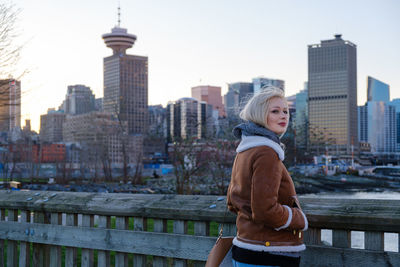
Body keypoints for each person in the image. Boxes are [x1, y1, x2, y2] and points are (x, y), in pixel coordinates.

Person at [227, 86, 308, 267]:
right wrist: (298, 218)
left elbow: (232, 202)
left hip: (247, 249)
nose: (283, 116)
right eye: (275, 111)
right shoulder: (267, 152)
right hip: (270, 253)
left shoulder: (245, 150)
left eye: (286, 111)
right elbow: (265, 210)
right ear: (259, 115)